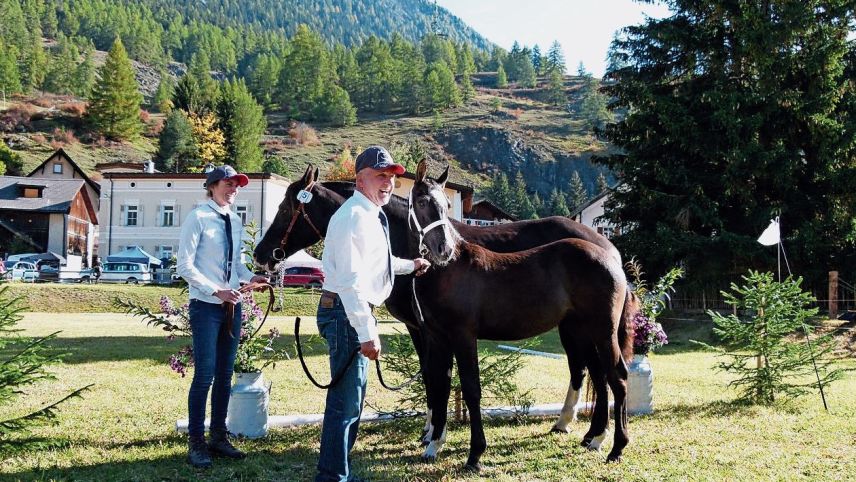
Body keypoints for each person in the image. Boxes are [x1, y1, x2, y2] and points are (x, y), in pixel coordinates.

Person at [315, 146, 431, 482]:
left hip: (350, 311)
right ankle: (332, 476)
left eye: (392, 177)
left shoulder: (369, 213)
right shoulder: (352, 216)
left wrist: (411, 265)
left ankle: (340, 472)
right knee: (345, 403)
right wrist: (366, 332)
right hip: (345, 312)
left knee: (352, 402)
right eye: (381, 175)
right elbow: (351, 282)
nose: (389, 183)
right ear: (360, 177)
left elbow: (377, 264)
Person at [176, 164, 268, 469]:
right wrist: (217, 291)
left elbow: (236, 266)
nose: (234, 189)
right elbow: (185, 267)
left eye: (237, 185)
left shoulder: (234, 220)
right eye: (229, 184)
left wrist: (253, 277)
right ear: (213, 185)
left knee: (226, 375)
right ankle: (196, 443)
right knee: (205, 375)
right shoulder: (198, 217)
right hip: (206, 307)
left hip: (232, 306)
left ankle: (218, 436)